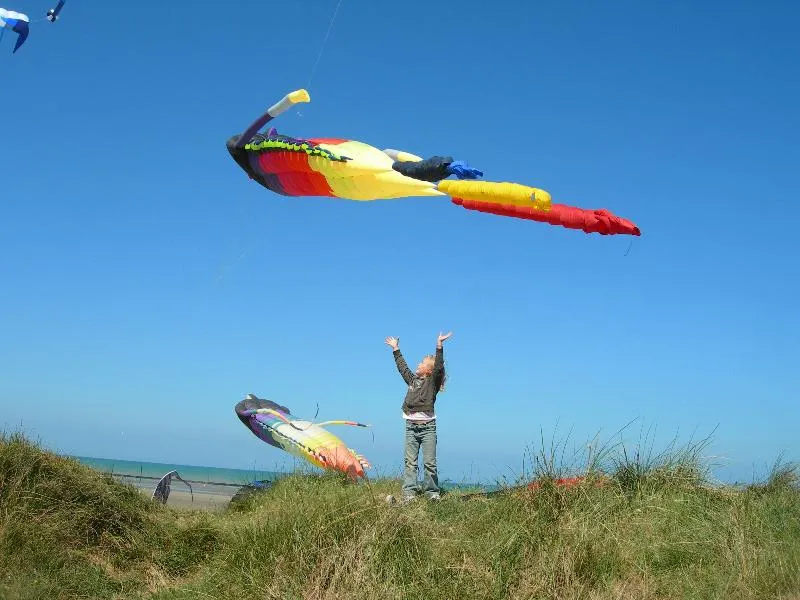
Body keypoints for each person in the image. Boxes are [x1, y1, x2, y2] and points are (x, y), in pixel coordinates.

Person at [384, 332, 452, 503]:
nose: (418, 364)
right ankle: (409, 494)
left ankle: (432, 493)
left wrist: (439, 346)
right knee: (410, 462)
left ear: (429, 371)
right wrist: (396, 349)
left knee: (430, 463)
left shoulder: (431, 383)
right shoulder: (413, 381)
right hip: (411, 427)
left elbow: (438, 367)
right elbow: (403, 368)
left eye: (421, 363)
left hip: (428, 427)